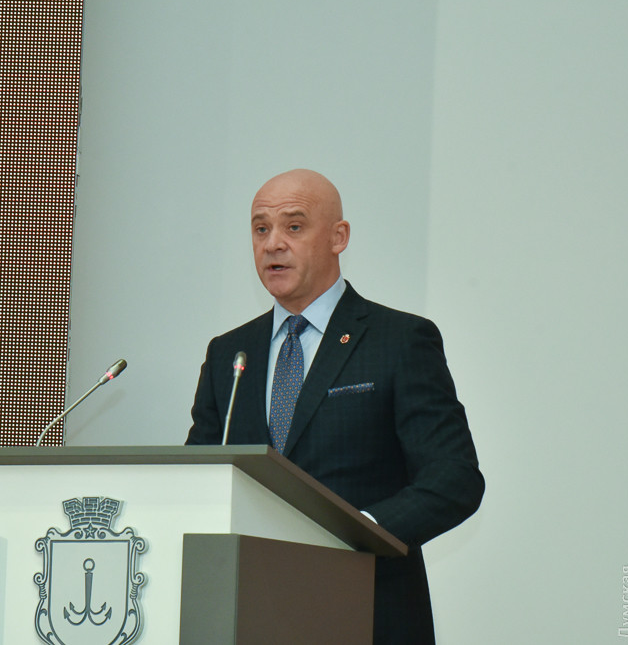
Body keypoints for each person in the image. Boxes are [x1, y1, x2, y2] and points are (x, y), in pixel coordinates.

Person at [186, 168, 484, 645]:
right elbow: (199, 479)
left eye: (294, 226)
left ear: (338, 237)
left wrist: (360, 533)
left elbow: (454, 480)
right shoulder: (230, 355)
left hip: (368, 610)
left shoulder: (399, 340)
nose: (273, 244)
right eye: (261, 229)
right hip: (249, 613)